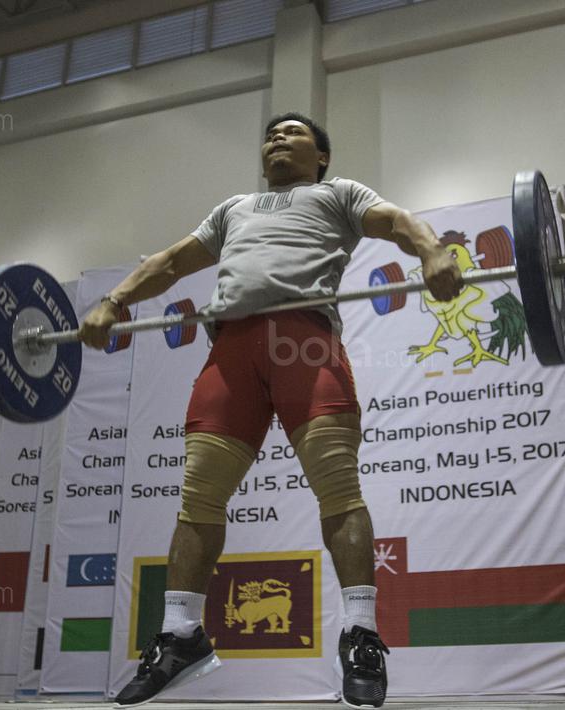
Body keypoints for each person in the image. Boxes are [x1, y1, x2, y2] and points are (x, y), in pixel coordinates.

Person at [78, 112, 462, 708]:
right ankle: (180, 636)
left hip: (303, 341)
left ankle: (361, 634)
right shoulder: (233, 209)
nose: (277, 137)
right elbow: (170, 263)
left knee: (338, 489)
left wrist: (432, 252)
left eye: (293, 132)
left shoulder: (338, 193)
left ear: (322, 156)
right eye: (271, 134)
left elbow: (397, 222)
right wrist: (113, 300)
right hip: (232, 350)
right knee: (199, 496)